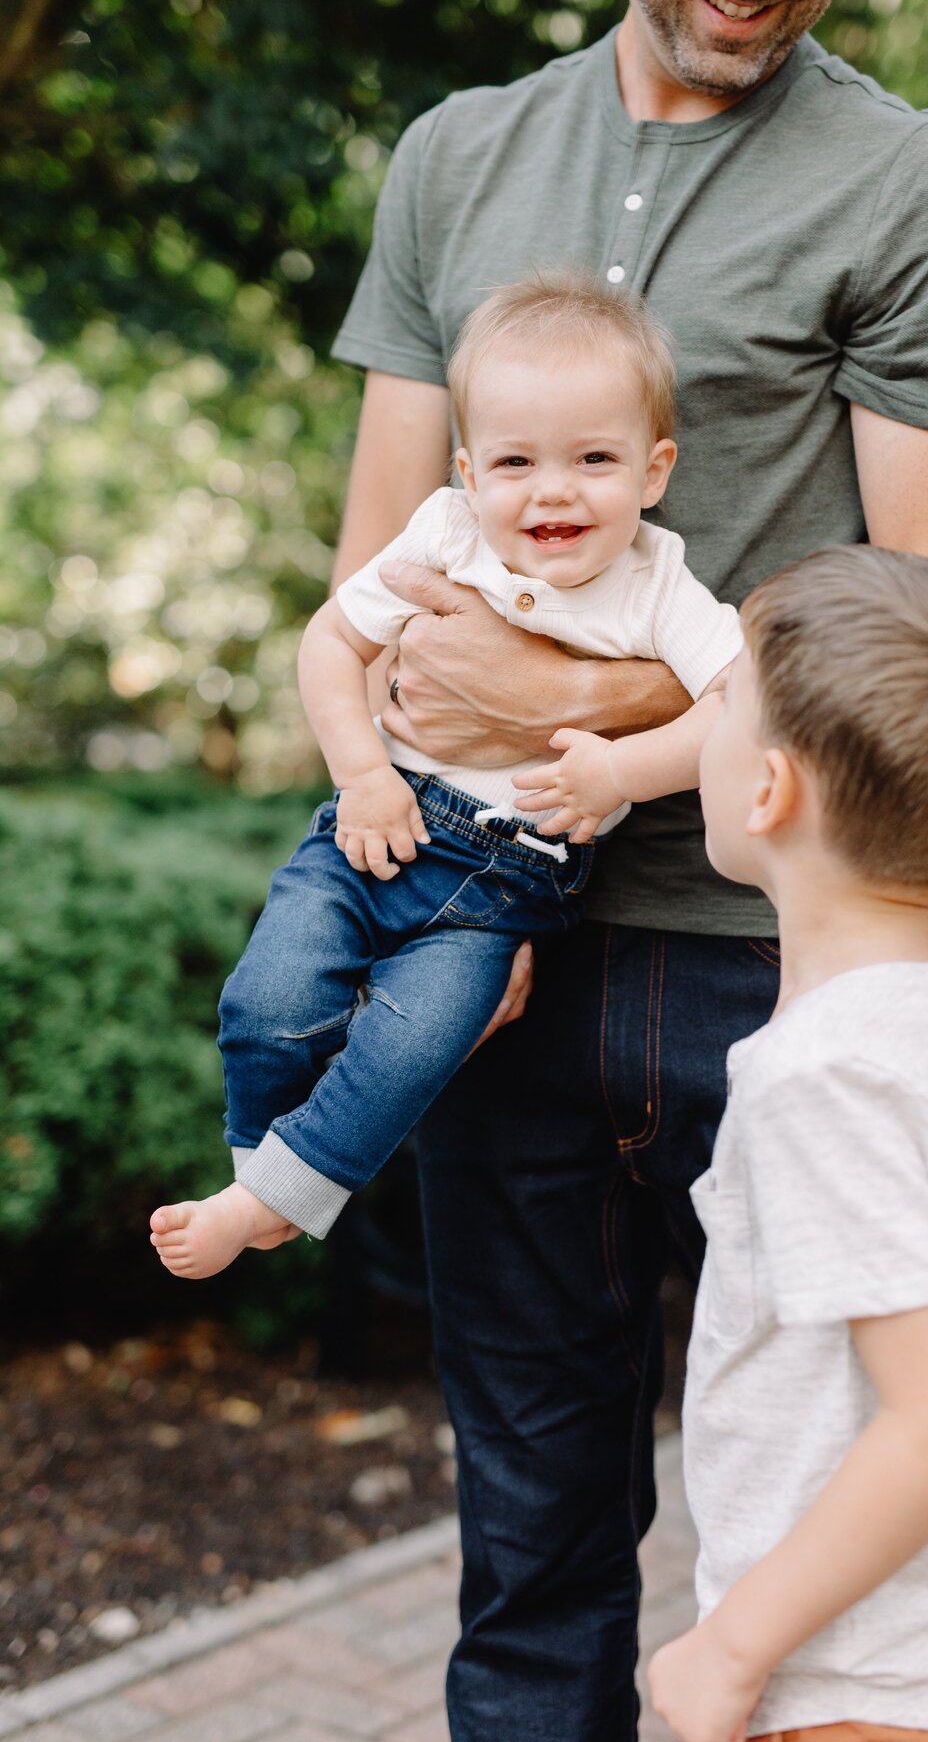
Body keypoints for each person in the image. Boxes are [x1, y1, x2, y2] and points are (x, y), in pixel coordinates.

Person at [329, 0, 928, 1731]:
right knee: (533, 1545)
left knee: (819, 1533)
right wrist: (407, 931)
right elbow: (379, 610)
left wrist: (626, 722)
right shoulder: (453, 161)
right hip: (503, 949)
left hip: (782, 967)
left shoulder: (907, 177)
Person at [148, 275, 741, 1278]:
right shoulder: (445, 534)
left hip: (504, 891)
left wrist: (623, 767)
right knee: (269, 1003)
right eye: (515, 462)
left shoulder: (658, 584)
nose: (552, 490)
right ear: (468, 470)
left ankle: (269, 1199)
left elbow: (744, 701)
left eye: (594, 459)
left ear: (653, 469)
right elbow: (331, 643)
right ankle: (263, 1178)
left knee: (411, 1051)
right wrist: (362, 770)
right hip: (381, 825)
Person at [647, 546, 928, 1742]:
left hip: (853, 1696)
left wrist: (733, 1648)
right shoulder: (915, 1000)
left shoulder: (823, 1075)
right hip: (914, 1675)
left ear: (768, 790)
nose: (704, 714)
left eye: (721, 699)